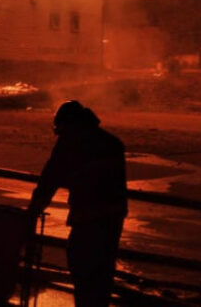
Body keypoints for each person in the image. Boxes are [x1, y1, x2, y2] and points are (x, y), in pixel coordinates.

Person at [28, 100, 127, 307]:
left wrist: (32, 213)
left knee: (82, 267)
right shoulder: (112, 143)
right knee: (103, 272)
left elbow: (49, 179)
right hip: (113, 217)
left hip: (87, 217)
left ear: (68, 124)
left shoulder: (70, 143)